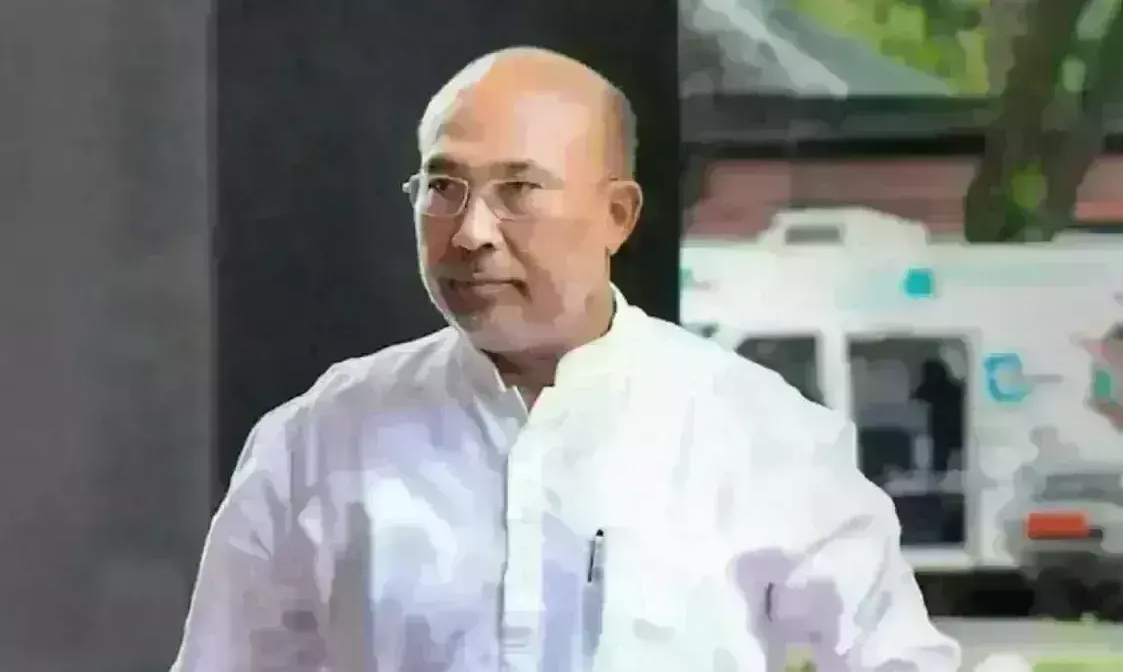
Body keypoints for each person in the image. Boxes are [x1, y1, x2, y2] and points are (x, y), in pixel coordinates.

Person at [171, 47, 959, 671]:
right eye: (442, 186)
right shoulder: (322, 436)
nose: (471, 231)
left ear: (616, 214)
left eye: (517, 189)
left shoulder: (757, 434)